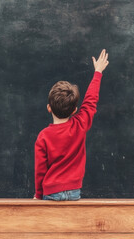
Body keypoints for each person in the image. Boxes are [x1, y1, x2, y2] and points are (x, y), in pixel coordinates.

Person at [33, 49, 109, 200]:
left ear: (49, 108)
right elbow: (90, 101)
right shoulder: (80, 124)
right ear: (74, 110)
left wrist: (38, 195)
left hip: (51, 192)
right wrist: (98, 72)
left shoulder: (43, 136)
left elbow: (40, 170)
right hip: (74, 191)